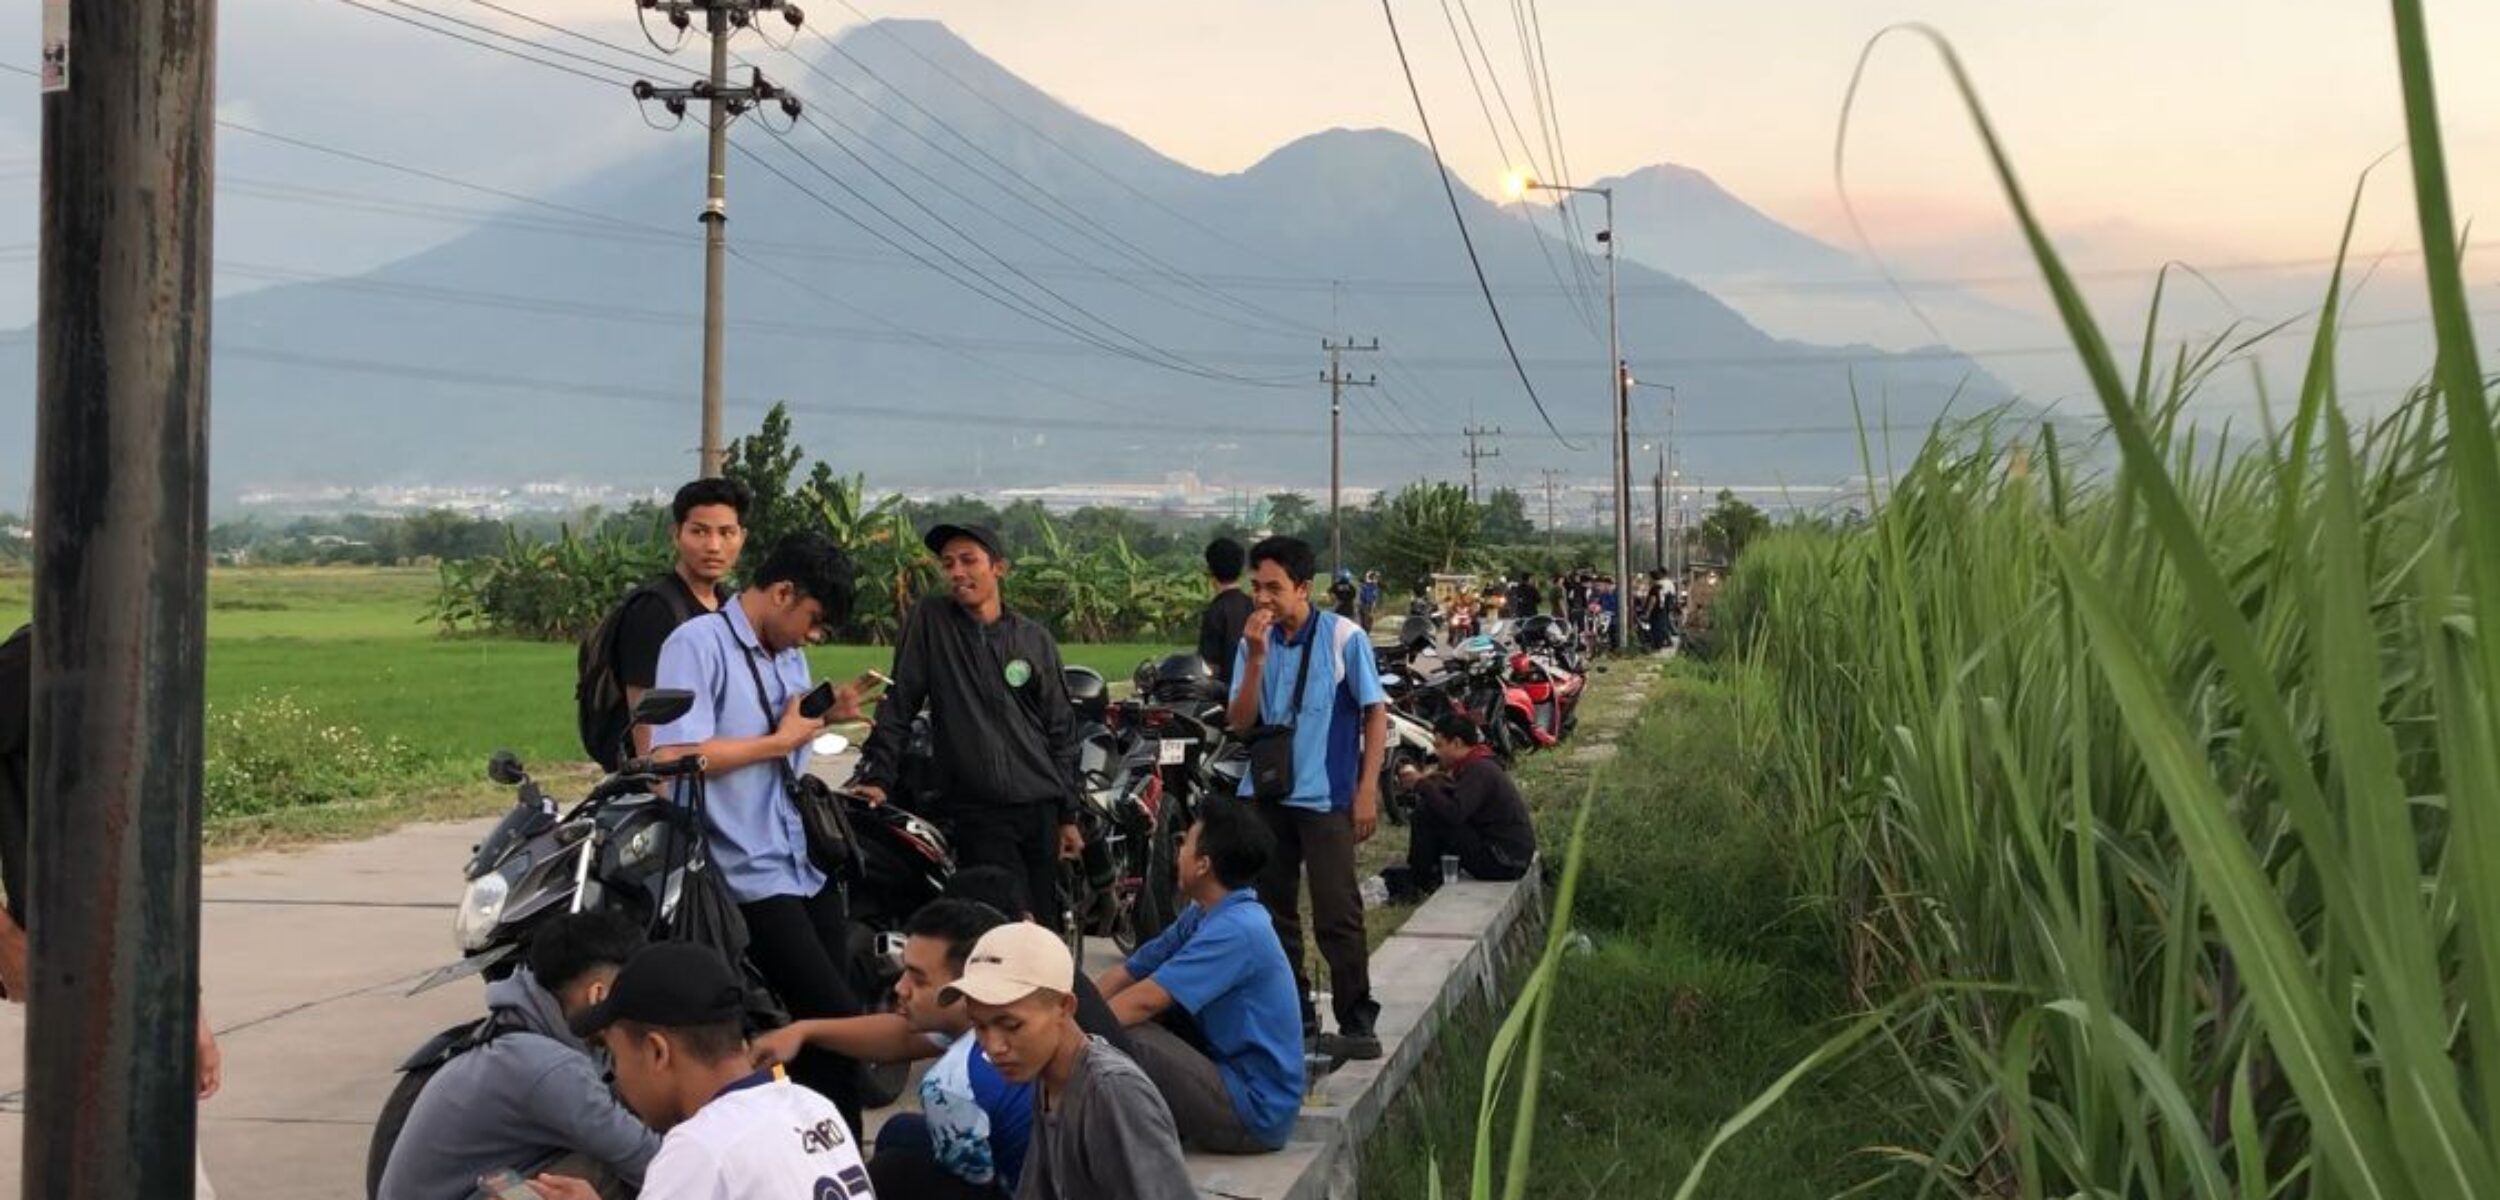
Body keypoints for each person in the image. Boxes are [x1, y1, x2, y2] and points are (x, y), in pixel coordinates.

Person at [648, 531, 879, 1128]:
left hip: (800, 859)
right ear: (781, 592)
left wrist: (824, 715)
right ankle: (834, 1165)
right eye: (814, 618)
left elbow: (790, 737)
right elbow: (673, 757)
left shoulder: (788, 654)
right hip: (745, 872)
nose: (815, 635)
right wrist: (778, 741)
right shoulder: (696, 645)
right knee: (832, 1025)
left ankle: (822, 1162)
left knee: (833, 1026)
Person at [1, 625, 223, 1197]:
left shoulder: (162, 649)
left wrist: (186, 1008)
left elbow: (154, 854)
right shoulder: (43, 658)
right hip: (67, 976)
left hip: (138, 986)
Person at [853, 524, 1084, 936]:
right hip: (980, 810)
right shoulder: (933, 621)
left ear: (998, 568)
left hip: (1041, 807)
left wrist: (1069, 813)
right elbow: (900, 701)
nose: (956, 572)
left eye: (968, 560)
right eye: (948, 564)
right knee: (1007, 928)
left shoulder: (1034, 639)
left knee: (1044, 931)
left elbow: (1061, 729)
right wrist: (877, 776)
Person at [531, 943, 874, 1200]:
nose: (616, 1077)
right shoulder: (812, 1104)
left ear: (657, 1051)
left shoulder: (699, 1149)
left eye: (615, 1056)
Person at [1226, 536, 1390, 1060]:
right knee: (1273, 914)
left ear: (1303, 588)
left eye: (1274, 588)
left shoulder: (1344, 637)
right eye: (1257, 588)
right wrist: (1254, 659)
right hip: (1267, 796)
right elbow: (1239, 720)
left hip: (1326, 799)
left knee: (1336, 910)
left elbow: (1374, 713)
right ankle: (1294, 1015)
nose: (1263, 599)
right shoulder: (1252, 642)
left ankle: (1357, 1019)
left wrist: (1366, 792)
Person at [749, 900, 1027, 1199]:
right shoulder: (1018, 1007)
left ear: (966, 989)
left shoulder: (954, 1085)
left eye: (918, 979)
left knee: (893, 1172)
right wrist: (804, 1031)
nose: (900, 987)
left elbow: (977, 1186)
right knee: (902, 1131)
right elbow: (901, 1036)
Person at [381, 913, 662, 1200]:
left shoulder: (512, 1035)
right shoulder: (548, 1068)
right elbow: (645, 1158)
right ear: (598, 995)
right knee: (609, 1170)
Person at [1094, 799, 1303, 1154]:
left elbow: (1144, 999)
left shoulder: (1238, 930)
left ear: (1203, 865)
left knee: (1126, 1032)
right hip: (1226, 1075)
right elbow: (1128, 971)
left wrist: (1065, 1038)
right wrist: (1069, 1011)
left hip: (1253, 1113)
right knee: (1108, 1022)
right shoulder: (1205, 914)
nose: (1178, 853)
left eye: (1186, 845)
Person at [945, 923, 1194, 1200]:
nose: (993, 1047)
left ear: (1064, 1008)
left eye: (1012, 1026)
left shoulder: (1112, 1091)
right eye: (979, 1027)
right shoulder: (1049, 1077)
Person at [592, 478, 750, 763]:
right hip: (671, 779)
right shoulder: (654, 610)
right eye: (699, 532)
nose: (714, 546)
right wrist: (664, 793)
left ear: (742, 537)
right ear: (676, 534)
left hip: (712, 771)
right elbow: (644, 719)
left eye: (727, 533)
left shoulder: (730, 606)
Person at [940, 866, 1135, 1057]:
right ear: (1028, 918)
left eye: (1011, 1026)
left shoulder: (1016, 983)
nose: (994, 1046)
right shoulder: (1043, 964)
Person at [1383, 716, 1537, 903]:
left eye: (1439, 746)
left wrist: (1421, 784)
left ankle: (1419, 880)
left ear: (1456, 743)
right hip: (1507, 857)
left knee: (1427, 813)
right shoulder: (1477, 764)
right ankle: (1426, 874)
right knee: (1432, 809)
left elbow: (1454, 813)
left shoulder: (1479, 770)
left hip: (1503, 861)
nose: (1437, 752)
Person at [1196, 538, 1255, 690]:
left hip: (1225, 697)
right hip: (1254, 692)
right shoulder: (1253, 605)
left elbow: (1209, 667)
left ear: (1210, 570)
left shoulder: (1214, 611)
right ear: (1241, 570)